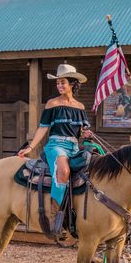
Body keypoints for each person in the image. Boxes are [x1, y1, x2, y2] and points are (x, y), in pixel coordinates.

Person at [18, 63, 92, 235]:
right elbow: (43, 127)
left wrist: (86, 133)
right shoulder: (52, 104)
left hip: (74, 147)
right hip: (56, 146)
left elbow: (82, 131)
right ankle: (54, 218)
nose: (59, 86)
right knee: (63, 171)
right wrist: (31, 147)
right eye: (58, 83)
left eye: (63, 82)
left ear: (72, 83)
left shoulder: (80, 107)